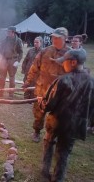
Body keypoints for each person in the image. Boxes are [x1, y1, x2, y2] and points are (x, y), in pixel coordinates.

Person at [40, 49, 93, 181]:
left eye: (65, 62)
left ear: (73, 62)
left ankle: (45, 170)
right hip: (76, 124)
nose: (63, 64)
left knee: (49, 142)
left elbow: (49, 104)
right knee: (64, 152)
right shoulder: (91, 82)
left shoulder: (64, 80)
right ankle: (58, 178)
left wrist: (42, 102)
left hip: (57, 121)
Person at [23, 27, 71, 142]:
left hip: (59, 92)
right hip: (42, 89)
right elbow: (34, 67)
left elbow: (75, 74)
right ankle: (36, 132)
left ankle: (51, 135)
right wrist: (27, 82)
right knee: (39, 113)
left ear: (65, 38)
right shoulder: (45, 51)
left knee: (55, 116)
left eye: (57, 38)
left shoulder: (70, 54)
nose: (54, 40)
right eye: (53, 37)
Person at [0, 26, 23, 98]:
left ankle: (11, 94)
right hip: (4, 60)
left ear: (13, 32)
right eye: (7, 31)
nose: (7, 33)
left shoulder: (18, 41)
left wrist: (18, 61)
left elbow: (21, 52)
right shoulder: (5, 40)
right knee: (2, 77)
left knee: (12, 78)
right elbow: (1, 48)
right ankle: (0, 92)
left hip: (13, 60)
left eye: (9, 32)